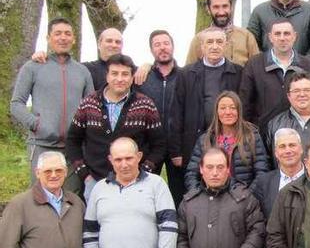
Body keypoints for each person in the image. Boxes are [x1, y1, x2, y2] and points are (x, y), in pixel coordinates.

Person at [66, 54, 165, 199]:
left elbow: (159, 145)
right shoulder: (89, 103)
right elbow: (72, 140)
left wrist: (144, 172)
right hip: (95, 182)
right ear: (107, 76)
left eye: (125, 74)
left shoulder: (145, 105)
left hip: (134, 184)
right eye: (114, 74)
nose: (119, 79)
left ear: (132, 78)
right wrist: (85, 175)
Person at [10, 18, 93, 175]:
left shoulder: (82, 72)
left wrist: (81, 132)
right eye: (57, 33)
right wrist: (37, 124)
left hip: (73, 149)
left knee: (72, 197)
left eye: (68, 34)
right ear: (48, 38)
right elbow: (16, 104)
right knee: (42, 196)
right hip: (41, 145)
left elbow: (91, 108)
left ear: (74, 39)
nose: (63, 37)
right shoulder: (32, 67)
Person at [170, 29, 243, 203]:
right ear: (201, 46)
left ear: (226, 45)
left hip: (228, 140)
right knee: (196, 188)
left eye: (219, 42)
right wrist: (176, 151)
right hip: (193, 142)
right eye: (209, 42)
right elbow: (176, 112)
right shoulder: (186, 74)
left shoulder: (238, 72)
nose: (214, 46)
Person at [239, 18, 310, 133]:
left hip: (300, 136)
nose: (282, 38)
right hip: (263, 135)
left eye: (286, 33)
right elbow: (245, 104)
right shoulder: (254, 64)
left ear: (294, 36)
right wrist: (252, 134)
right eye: (277, 34)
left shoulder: (306, 65)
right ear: (270, 37)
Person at [184, 91, 269, 191]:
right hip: (211, 198)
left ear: (239, 111)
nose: (228, 112)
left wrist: (247, 197)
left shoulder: (252, 137)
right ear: (217, 112)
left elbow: (262, 173)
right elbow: (191, 175)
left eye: (233, 108)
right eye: (223, 108)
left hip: (244, 199)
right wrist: (201, 197)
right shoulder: (205, 139)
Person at [136, 30, 180, 186]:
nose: (162, 48)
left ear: (173, 46)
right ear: (151, 50)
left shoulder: (185, 76)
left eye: (166, 43)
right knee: (145, 190)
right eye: (157, 44)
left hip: (177, 147)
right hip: (150, 146)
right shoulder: (142, 77)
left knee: (179, 193)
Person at [186, 0, 260, 66]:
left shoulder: (246, 37)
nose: (221, 12)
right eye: (216, 7)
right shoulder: (199, 39)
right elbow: (189, 73)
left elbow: (257, 70)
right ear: (208, 9)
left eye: (225, 6)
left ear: (231, 8)